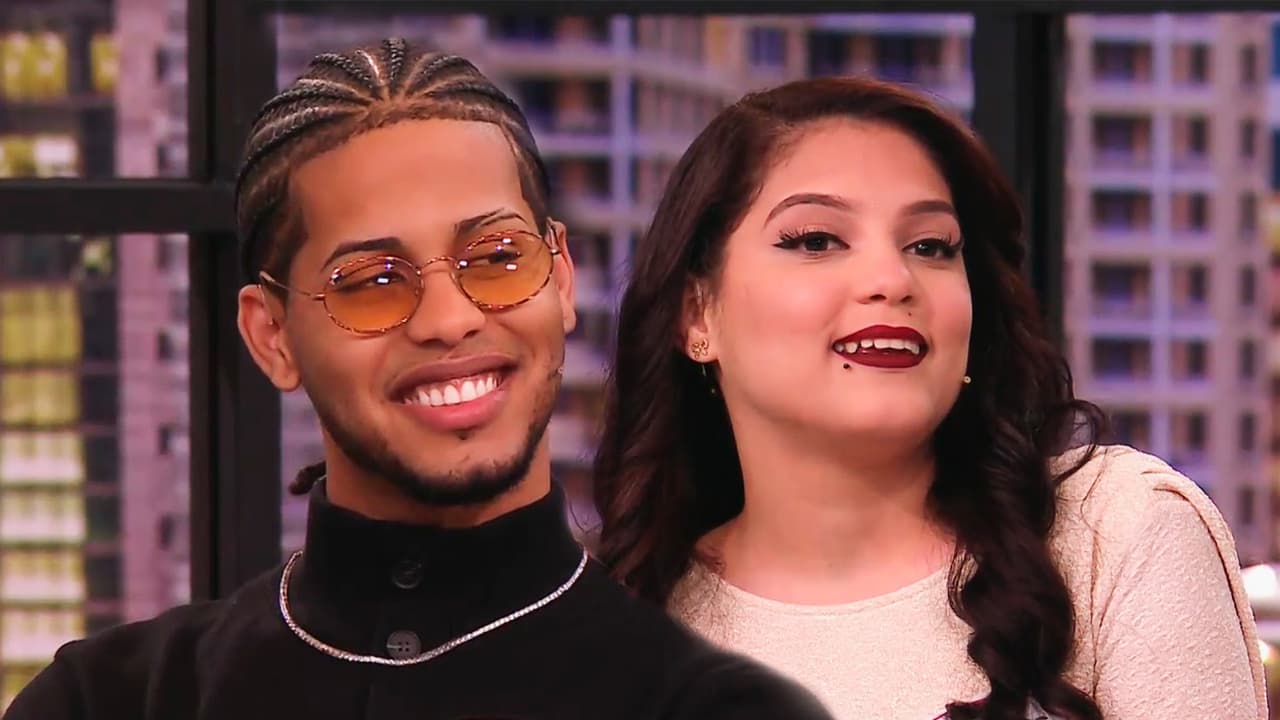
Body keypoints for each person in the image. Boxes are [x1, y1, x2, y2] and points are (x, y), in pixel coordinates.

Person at [5, 40, 834, 720]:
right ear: (271, 336)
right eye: (372, 282)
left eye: (497, 258)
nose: (448, 319)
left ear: (561, 279)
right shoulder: (107, 701)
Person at [591, 75, 1267, 720]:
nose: (892, 278)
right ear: (697, 314)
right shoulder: (623, 631)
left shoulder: (1114, 534)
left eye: (931, 246)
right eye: (817, 240)